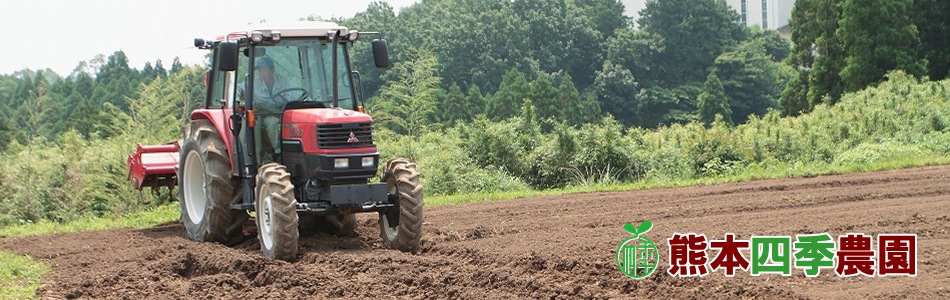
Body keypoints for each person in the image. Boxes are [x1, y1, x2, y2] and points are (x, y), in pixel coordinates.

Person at [240, 57, 300, 163]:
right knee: (272, 122)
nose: (262, 74)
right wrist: (236, 101)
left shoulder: (283, 82)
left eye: (265, 70)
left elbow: (291, 98)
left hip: (281, 113)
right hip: (262, 115)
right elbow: (238, 88)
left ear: (272, 70)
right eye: (260, 71)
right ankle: (278, 154)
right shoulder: (254, 83)